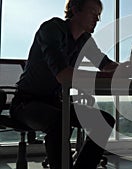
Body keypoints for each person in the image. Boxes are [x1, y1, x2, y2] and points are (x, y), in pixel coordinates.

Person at [9, 0, 118, 168]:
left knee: (104, 120)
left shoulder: (84, 39)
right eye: (93, 13)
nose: (97, 19)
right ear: (75, 10)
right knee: (60, 122)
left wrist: (129, 68)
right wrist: (104, 75)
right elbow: (63, 75)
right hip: (26, 103)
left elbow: (105, 64)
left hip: (56, 102)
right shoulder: (52, 29)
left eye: (99, 15)